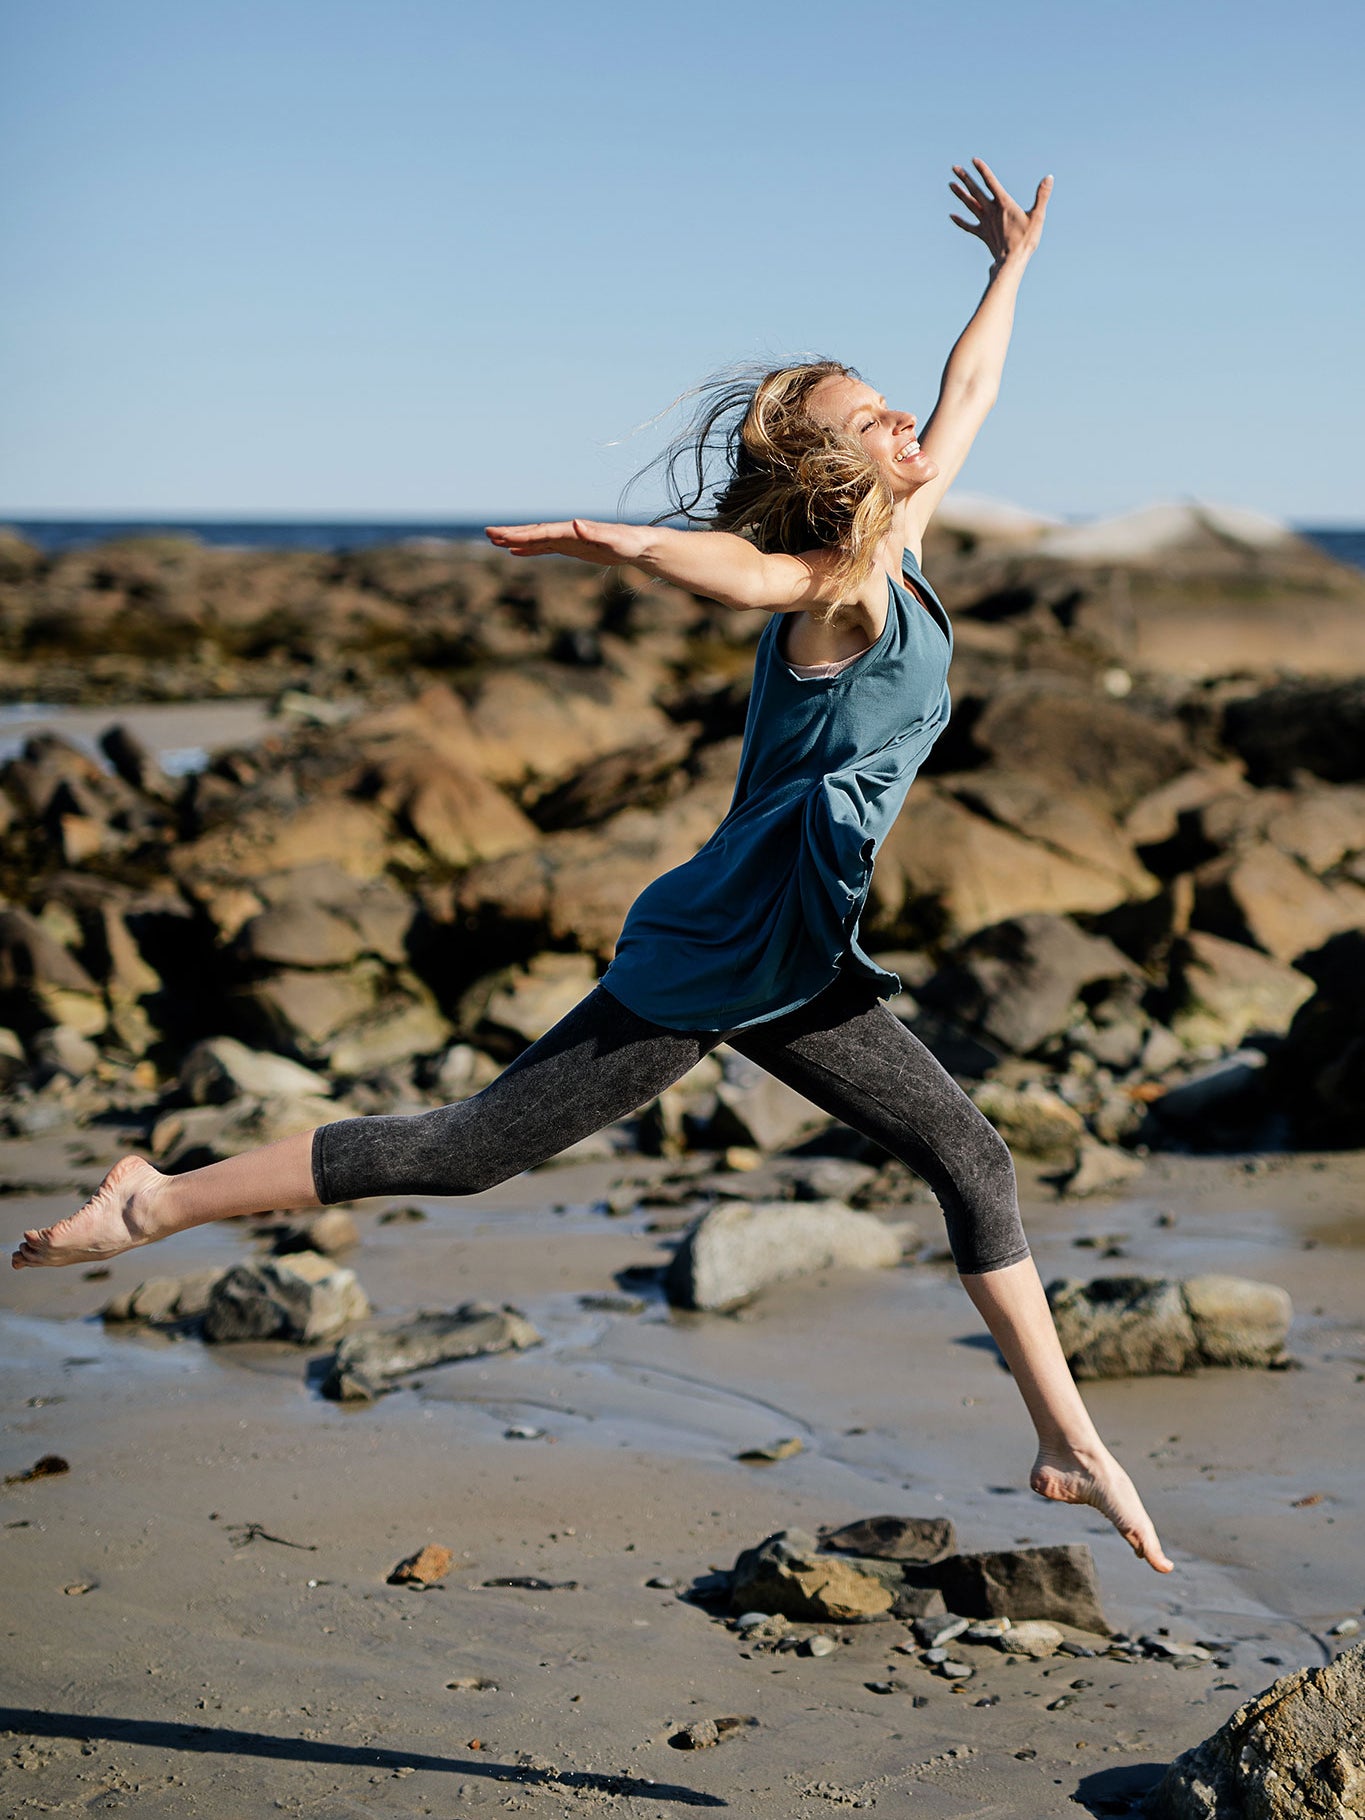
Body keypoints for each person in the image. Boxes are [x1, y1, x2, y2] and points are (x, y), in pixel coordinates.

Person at [11, 160, 1173, 1575]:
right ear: (830, 474)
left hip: (797, 957)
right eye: (870, 419)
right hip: (712, 959)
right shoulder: (826, 587)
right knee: (466, 1152)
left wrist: (1009, 269)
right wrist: (606, 541)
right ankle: (155, 1201)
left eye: (890, 402)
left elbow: (973, 387)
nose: (906, 419)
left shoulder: (903, 540)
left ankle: (1063, 1439)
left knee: (969, 1156)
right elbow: (737, 574)